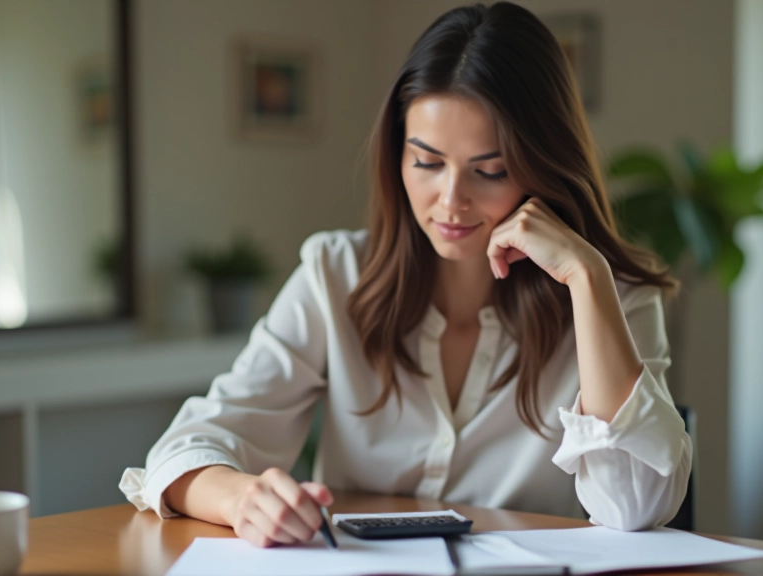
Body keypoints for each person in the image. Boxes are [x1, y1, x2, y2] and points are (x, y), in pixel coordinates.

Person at [120, 1, 691, 548]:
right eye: (426, 162)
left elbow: (635, 508)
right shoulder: (334, 273)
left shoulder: (615, 298)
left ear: (542, 168)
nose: (451, 202)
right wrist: (244, 497)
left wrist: (588, 278)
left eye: (489, 171)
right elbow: (184, 448)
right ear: (398, 157)